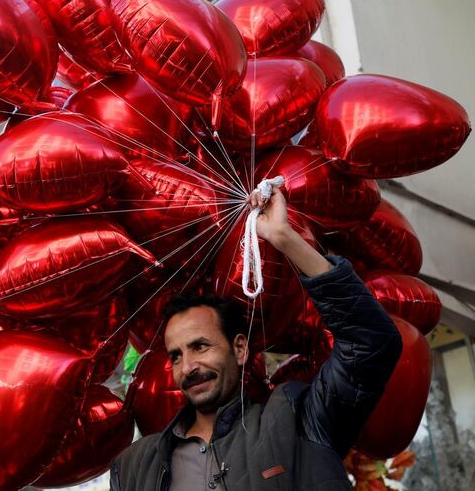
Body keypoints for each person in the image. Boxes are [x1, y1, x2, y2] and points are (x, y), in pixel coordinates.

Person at [110, 187, 403, 490]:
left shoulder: (299, 422)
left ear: (239, 349)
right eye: (175, 355)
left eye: (200, 346)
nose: (188, 367)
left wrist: (283, 237)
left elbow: (371, 342)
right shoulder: (134, 467)